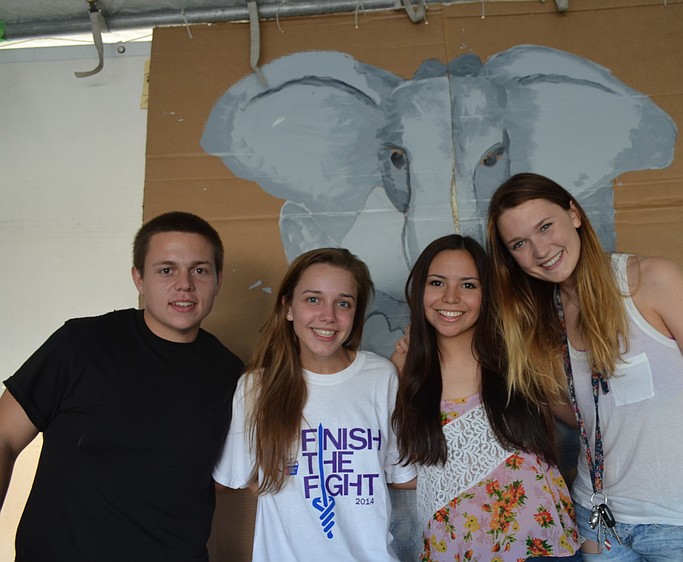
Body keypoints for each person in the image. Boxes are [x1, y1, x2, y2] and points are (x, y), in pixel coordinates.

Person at [486, 173, 683, 562]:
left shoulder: (651, 281)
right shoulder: (542, 317)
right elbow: (585, 412)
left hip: (679, 523)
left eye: (545, 226)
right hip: (596, 523)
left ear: (574, 214)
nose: (540, 250)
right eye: (519, 244)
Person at [0, 211, 244, 561]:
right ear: (139, 278)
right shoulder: (80, 344)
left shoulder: (232, 375)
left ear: (218, 280)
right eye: (166, 270)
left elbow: (224, 480)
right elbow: (4, 436)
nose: (184, 284)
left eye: (200, 270)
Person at [214, 247, 417, 561]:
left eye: (343, 303)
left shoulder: (382, 376)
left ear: (355, 314)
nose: (328, 316)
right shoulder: (256, 387)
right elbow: (232, 477)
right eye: (313, 299)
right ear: (288, 307)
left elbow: (402, 475)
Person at [392, 234, 582, 562]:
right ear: (419, 290)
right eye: (437, 282)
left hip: (541, 546)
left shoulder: (517, 355)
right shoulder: (402, 370)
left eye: (468, 285)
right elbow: (394, 469)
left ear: (487, 294)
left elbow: (584, 417)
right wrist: (459, 473)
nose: (451, 298)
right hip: (455, 548)